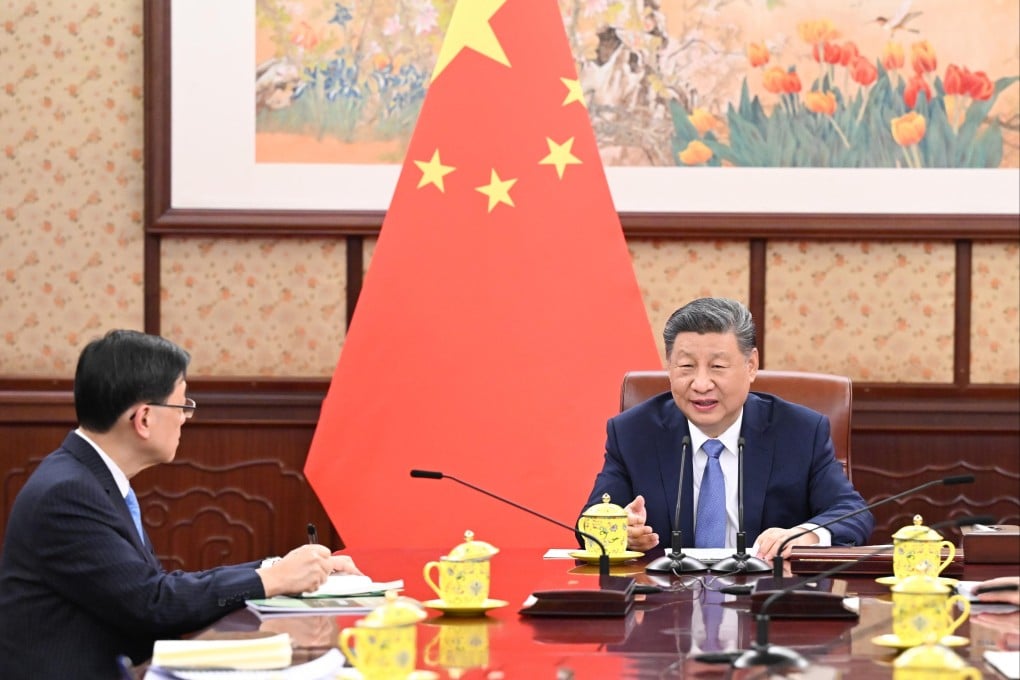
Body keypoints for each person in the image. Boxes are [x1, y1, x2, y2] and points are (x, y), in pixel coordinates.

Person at [0, 330, 363, 679]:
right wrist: (271, 579)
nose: (186, 417)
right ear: (143, 418)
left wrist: (279, 568)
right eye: (182, 404)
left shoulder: (87, 478)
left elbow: (154, 587)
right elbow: (154, 604)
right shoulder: (67, 494)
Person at [581, 297, 874, 560]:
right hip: (665, 605)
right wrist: (621, 532)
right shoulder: (634, 433)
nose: (701, 384)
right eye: (685, 367)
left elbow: (851, 513)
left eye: (718, 367)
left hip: (768, 604)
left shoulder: (800, 432)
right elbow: (588, 525)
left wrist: (803, 535)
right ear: (669, 367)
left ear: (751, 365)